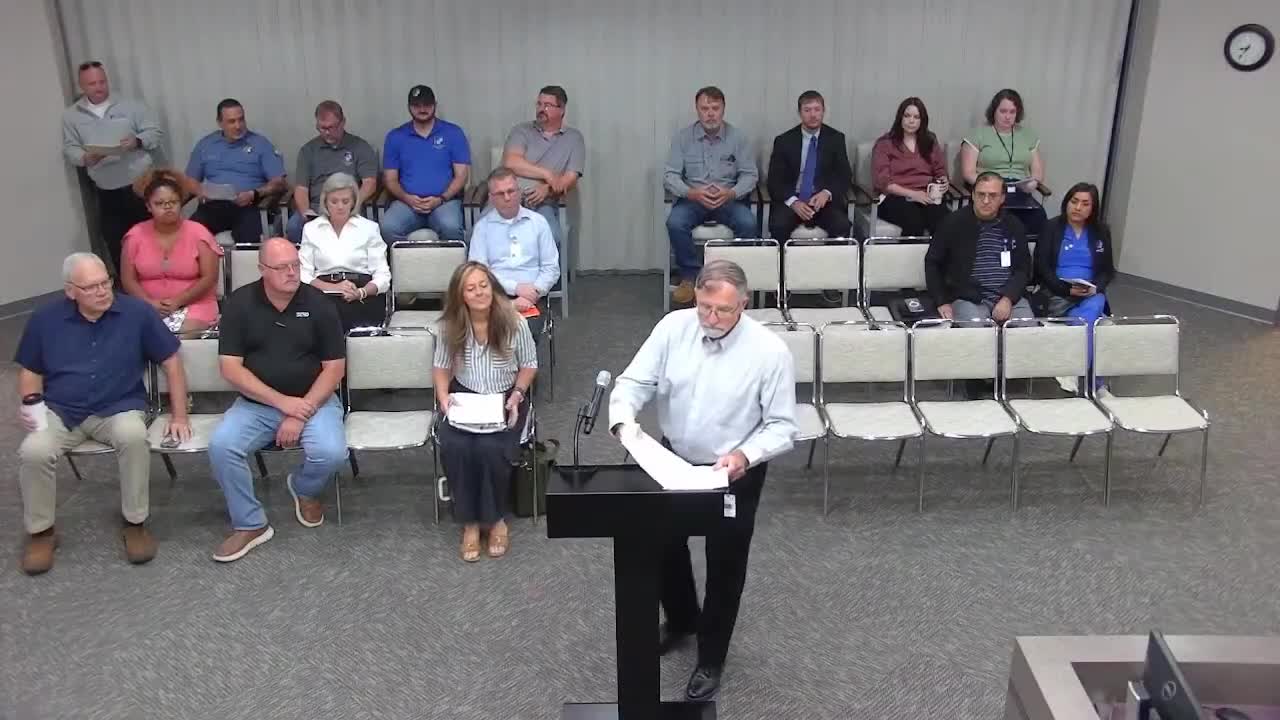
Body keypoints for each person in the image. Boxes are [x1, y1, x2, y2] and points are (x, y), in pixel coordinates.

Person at [608, 259, 798, 701]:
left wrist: (745, 455)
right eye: (704, 307)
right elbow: (634, 381)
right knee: (662, 546)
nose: (711, 318)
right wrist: (623, 419)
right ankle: (681, 620)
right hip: (672, 458)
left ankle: (711, 657)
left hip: (734, 470)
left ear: (743, 305)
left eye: (723, 311)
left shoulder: (770, 352)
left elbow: (782, 426)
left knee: (725, 565)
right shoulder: (673, 328)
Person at [14, 252, 191, 575]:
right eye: (91, 287)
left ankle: (135, 523)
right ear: (71, 291)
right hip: (62, 409)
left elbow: (172, 361)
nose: (102, 291)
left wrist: (180, 416)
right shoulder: (45, 319)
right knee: (33, 451)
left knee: (133, 436)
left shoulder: (137, 313)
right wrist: (30, 403)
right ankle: (41, 532)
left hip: (119, 406)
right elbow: (30, 370)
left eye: (105, 282)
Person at [207, 238, 347, 563]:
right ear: (262, 269)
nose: (292, 273)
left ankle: (304, 488)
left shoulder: (319, 303)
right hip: (257, 404)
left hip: (314, 401)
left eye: (295, 265)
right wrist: (283, 403)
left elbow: (335, 369)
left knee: (331, 453)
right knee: (222, 447)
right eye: (282, 267)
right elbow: (230, 368)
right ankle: (250, 523)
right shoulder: (240, 304)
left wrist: (299, 412)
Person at [433, 262, 537, 563]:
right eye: (471, 288)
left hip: (506, 397)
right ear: (460, 295)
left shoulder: (515, 322)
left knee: (491, 448)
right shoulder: (450, 326)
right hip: (465, 397)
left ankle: (495, 519)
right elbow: (441, 366)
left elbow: (529, 365)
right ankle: (469, 522)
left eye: (484, 285)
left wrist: (517, 394)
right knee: (456, 446)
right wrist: (443, 396)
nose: (479, 292)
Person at [61, 61, 163, 275]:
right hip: (106, 188)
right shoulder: (72, 115)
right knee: (116, 240)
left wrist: (137, 141)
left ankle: (159, 279)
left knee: (152, 236)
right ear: (81, 86)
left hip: (141, 184)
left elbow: (154, 133)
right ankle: (127, 285)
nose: (99, 87)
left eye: (102, 81)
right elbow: (70, 148)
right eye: (92, 84)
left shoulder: (132, 105)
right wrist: (85, 158)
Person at [664, 86, 759, 305]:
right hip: (694, 199)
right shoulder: (683, 138)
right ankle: (691, 276)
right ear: (697, 110)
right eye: (705, 108)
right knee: (675, 223)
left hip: (728, 199)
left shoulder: (738, 138)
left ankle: (733, 279)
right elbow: (670, 175)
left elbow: (750, 175)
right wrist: (691, 192)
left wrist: (732, 192)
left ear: (723, 109)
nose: (710, 114)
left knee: (748, 223)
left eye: (715, 108)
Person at [120, 169, 224, 336]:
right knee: (131, 337)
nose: (167, 207)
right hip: (146, 306)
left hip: (195, 305)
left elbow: (209, 278)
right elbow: (128, 280)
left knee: (177, 338)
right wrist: (149, 303)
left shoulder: (199, 233)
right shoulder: (134, 236)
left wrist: (178, 301)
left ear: (180, 203)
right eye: (159, 203)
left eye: (173, 202)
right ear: (148, 206)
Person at [1034, 182, 1115, 393]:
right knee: (1089, 322)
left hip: (1090, 294)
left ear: (1093, 208)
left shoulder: (1101, 231)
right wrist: (1065, 289)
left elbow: (1107, 270)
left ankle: (1082, 377)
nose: (1078, 207)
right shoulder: (1051, 227)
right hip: (1058, 293)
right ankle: (1094, 382)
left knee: (1092, 309)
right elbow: (1041, 267)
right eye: (1074, 201)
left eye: (1085, 204)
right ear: (1067, 202)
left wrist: (1096, 287)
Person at [926, 171, 1034, 323]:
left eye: (993, 195)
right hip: (968, 299)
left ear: (1002, 198)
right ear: (973, 195)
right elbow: (932, 263)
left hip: (1009, 299)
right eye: (981, 194)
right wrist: (941, 301)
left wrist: (1008, 298)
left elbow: (1023, 268)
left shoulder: (1014, 225)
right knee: (979, 333)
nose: (986, 200)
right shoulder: (953, 223)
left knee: (1029, 330)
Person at [468, 168, 560, 336]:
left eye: (511, 191)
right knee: (491, 332)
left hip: (533, 296)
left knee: (525, 332)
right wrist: (516, 288)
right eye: (500, 193)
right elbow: (478, 272)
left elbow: (551, 268)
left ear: (519, 192)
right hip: (494, 296)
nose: (507, 197)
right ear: (491, 198)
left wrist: (534, 292)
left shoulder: (538, 223)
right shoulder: (482, 228)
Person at [184, 98, 287, 246]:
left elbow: (279, 182)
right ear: (220, 123)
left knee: (248, 235)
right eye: (231, 122)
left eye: (241, 120)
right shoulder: (206, 145)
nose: (238, 126)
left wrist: (254, 193)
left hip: (248, 205)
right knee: (190, 233)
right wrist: (200, 192)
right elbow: (190, 180)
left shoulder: (260, 144)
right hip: (213, 206)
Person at [299, 173, 391, 330]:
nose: (340, 206)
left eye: (345, 201)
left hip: (361, 291)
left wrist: (361, 292)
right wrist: (333, 288)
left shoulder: (369, 228)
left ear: (354, 202)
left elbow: (383, 276)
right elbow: (304, 274)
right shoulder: (311, 229)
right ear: (325, 202)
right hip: (324, 291)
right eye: (334, 201)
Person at [380, 85, 470, 243]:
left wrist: (441, 198)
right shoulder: (395, 137)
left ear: (435, 105)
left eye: (427, 104)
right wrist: (407, 198)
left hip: (444, 201)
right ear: (409, 107)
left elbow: (461, 176)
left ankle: (449, 261)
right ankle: (408, 259)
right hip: (407, 203)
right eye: (417, 105)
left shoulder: (453, 133)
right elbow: (390, 179)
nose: (422, 109)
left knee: (450, 227)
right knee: (387, 227)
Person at [500, 85, 585, 249]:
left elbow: (570, 178)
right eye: (539, 104)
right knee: (485, 231)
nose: (541, 109)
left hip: (542, 203)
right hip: (506, 196)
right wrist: (548, 175)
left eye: (547, 105)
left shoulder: (574, 139)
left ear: (561, 110)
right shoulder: (521, 131)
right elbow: (511, 162)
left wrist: (547, 189)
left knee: (551, 235)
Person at [286, 100, 380, 244]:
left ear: (343, 123)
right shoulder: (308, 151)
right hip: (317, 207)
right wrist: (306, 212)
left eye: (331, 127)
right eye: (322, 128)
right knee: (294, 227)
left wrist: (353, 205)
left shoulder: (360, 147)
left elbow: (370, 183)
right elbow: (301, 188)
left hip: (347, 205)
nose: (327, 132)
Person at [765, 90, 852, 242]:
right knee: (778, 225)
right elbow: (774, 180)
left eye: (817, 109)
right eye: (807, 110)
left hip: (822, 201)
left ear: (823, 111)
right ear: (799, 113)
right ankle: (783, 259)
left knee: (842, 225)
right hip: (793, 198)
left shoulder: (836, 138)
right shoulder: (784, 141)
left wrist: (826, 193)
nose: (813, 115)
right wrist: (794, 202)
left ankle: (831, 258)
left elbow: (844, 174)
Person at [961, 88, 1048, 237]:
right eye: (1003, 111)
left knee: (1038, 217)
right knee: (1003, 219)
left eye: (1012, 112)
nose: (1007, 116)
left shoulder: (1028, 136)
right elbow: (968, 173)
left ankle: (1023, 252)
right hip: (989, 190)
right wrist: (993, 186)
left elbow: (1038, 173)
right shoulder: (978, 134)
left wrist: (1032, 184)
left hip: (1019, 189)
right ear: (994, 111)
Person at [871, 96, 951, 236]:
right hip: (895, 197)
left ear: (922, 120)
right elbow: (882, 182)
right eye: (907, 116)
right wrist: (913, 194)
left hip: (926, 195)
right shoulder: (885, 143)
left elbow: (940, 170)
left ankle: (937, 251)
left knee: (944, 221)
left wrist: (944, 180)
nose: (911, 121)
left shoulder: (930, 140)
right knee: (914, 222)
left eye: (916, 117)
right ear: (900, 118)